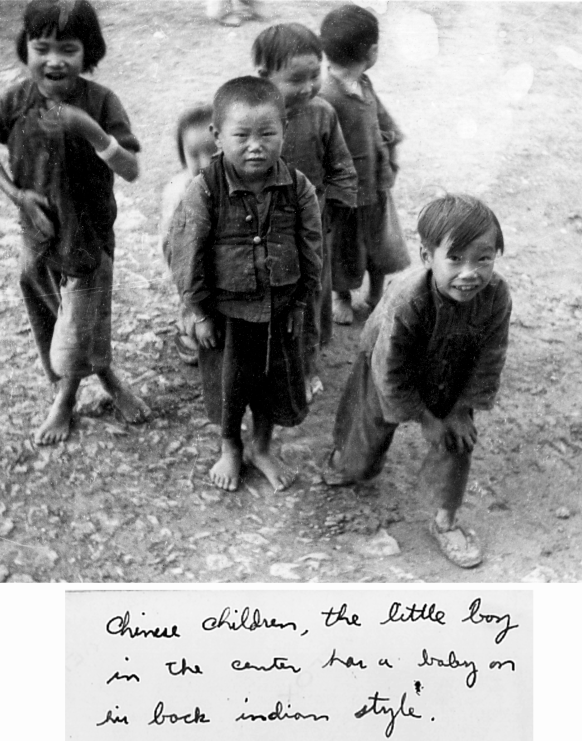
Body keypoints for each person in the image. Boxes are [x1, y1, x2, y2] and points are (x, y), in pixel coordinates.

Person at [0, 0, 149, 446]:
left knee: (77, 327)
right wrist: (17, 195)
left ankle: (65, 400)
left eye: (68, 49)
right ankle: (107, 377)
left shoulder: (101, 102)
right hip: (36, 237)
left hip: (89, 239)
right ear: (25, 49)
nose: (54, 60)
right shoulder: (13, 101)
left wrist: (87, 128)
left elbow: (130, 169)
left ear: (87, 54)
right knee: (54, 319)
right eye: (42, 47)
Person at [323, 194, 512, 569]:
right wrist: (425, 416)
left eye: (483, 258)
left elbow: (490, 357)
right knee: (362, 442)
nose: (470, 272)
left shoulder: (496, 296)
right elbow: (389, 371)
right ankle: (346, 460)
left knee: (458, 438)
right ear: (428, 258)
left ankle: (445, 519)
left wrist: (457, 409)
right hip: (389, 364)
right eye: (455, 259)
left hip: (452, 369)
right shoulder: (408, 301)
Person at [170, 77, 323, 493]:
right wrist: (197, 311)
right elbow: (186, 253)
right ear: (218, 137)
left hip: (279, 310)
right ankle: (230, 447)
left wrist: (300, 305)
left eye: (267, 134)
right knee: (229, 387)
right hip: (226, 317)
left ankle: (261, 446)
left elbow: (311, 249)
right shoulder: (203, 189)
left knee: (273, 384)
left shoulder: (298, 188)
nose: (255, 146)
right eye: (242, 136)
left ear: (284, 132)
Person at [252, 22, 357, 401]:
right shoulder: (252, 118)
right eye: (296, 79)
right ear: (264, 77)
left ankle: (307, 365)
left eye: (315, 75)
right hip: (262, 227)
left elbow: (341, 166)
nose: (309, 86)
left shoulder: (323, 113)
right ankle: (267, 359)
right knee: (267, 295)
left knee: (310, 297)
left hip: (312, 226)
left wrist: (340, 207)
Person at [318, 3, 411, 325]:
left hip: (375, 185)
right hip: (344, 196)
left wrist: (392, 140)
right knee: (343, 249)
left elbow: (380, 118)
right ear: (372, 51)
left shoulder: (364, 83)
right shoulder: (326, 96)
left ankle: (375, 293)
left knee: (379, 243)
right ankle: (341, 296)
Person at [160, 104, 217, 366]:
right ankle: (188, 328)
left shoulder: (239, 182)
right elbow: (172, 243)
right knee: (193, 297)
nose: (205, 162)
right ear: (183, 157)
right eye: (194, 154)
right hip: (191, 259)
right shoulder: (179, 191)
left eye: (213, 151)